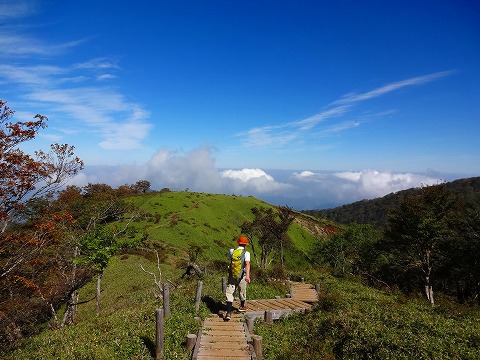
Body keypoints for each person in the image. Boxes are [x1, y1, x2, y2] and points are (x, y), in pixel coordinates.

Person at [224, 235, 251, 321]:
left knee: (229, 293)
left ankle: (228, 313)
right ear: (245, 244)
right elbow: (247, 264)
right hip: (242, 275)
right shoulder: (247, 253)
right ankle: (242, 306)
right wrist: (247, 276)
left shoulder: (232, 251)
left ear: (238, 243)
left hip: (232, 275)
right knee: (242, 291)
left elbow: (229, 257)